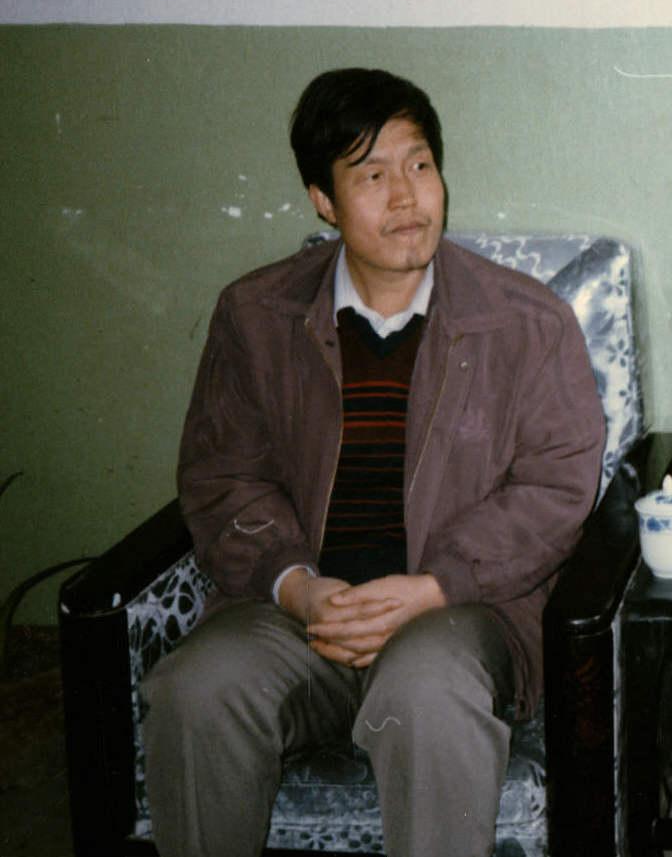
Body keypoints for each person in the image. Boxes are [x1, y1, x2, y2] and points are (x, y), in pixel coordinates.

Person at [141, 68, 606, 857]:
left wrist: (434, 585)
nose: (406, 196)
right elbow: (223, 477)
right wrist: (297, 585)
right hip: (302, 617)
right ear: (322, 200)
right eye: (372, 174)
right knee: (197, 690)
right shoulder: (256, 317)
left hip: (457, 616)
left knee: (427, 691)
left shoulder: (526, 322)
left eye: (420, 165)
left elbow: (556, 485)